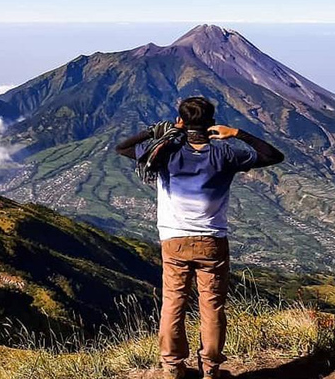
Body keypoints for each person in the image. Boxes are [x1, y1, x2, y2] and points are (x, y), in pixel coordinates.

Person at [115, 96, 284, 379]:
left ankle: (172, 366)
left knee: (173, 303)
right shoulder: (226, 154)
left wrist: (158, 130)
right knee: (212, 306)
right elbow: (273, 156)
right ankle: (211, 369)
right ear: (211, 122)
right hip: (212, 242)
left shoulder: (164, 152)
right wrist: (237, 133)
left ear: (181, 120)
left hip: (174, 240)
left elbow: (122, 147)